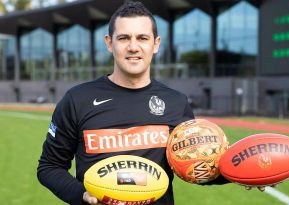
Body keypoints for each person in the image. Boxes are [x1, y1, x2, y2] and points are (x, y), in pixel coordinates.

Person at [37, 2, 195, 205]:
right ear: (109, 43)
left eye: (142, 38)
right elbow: (49, 166)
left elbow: (196, 163)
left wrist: (235, 171)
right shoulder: (78, 100)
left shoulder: (176, 102)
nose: (133, 47)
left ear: (155, 44)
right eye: (123, 38)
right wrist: (82, 196)